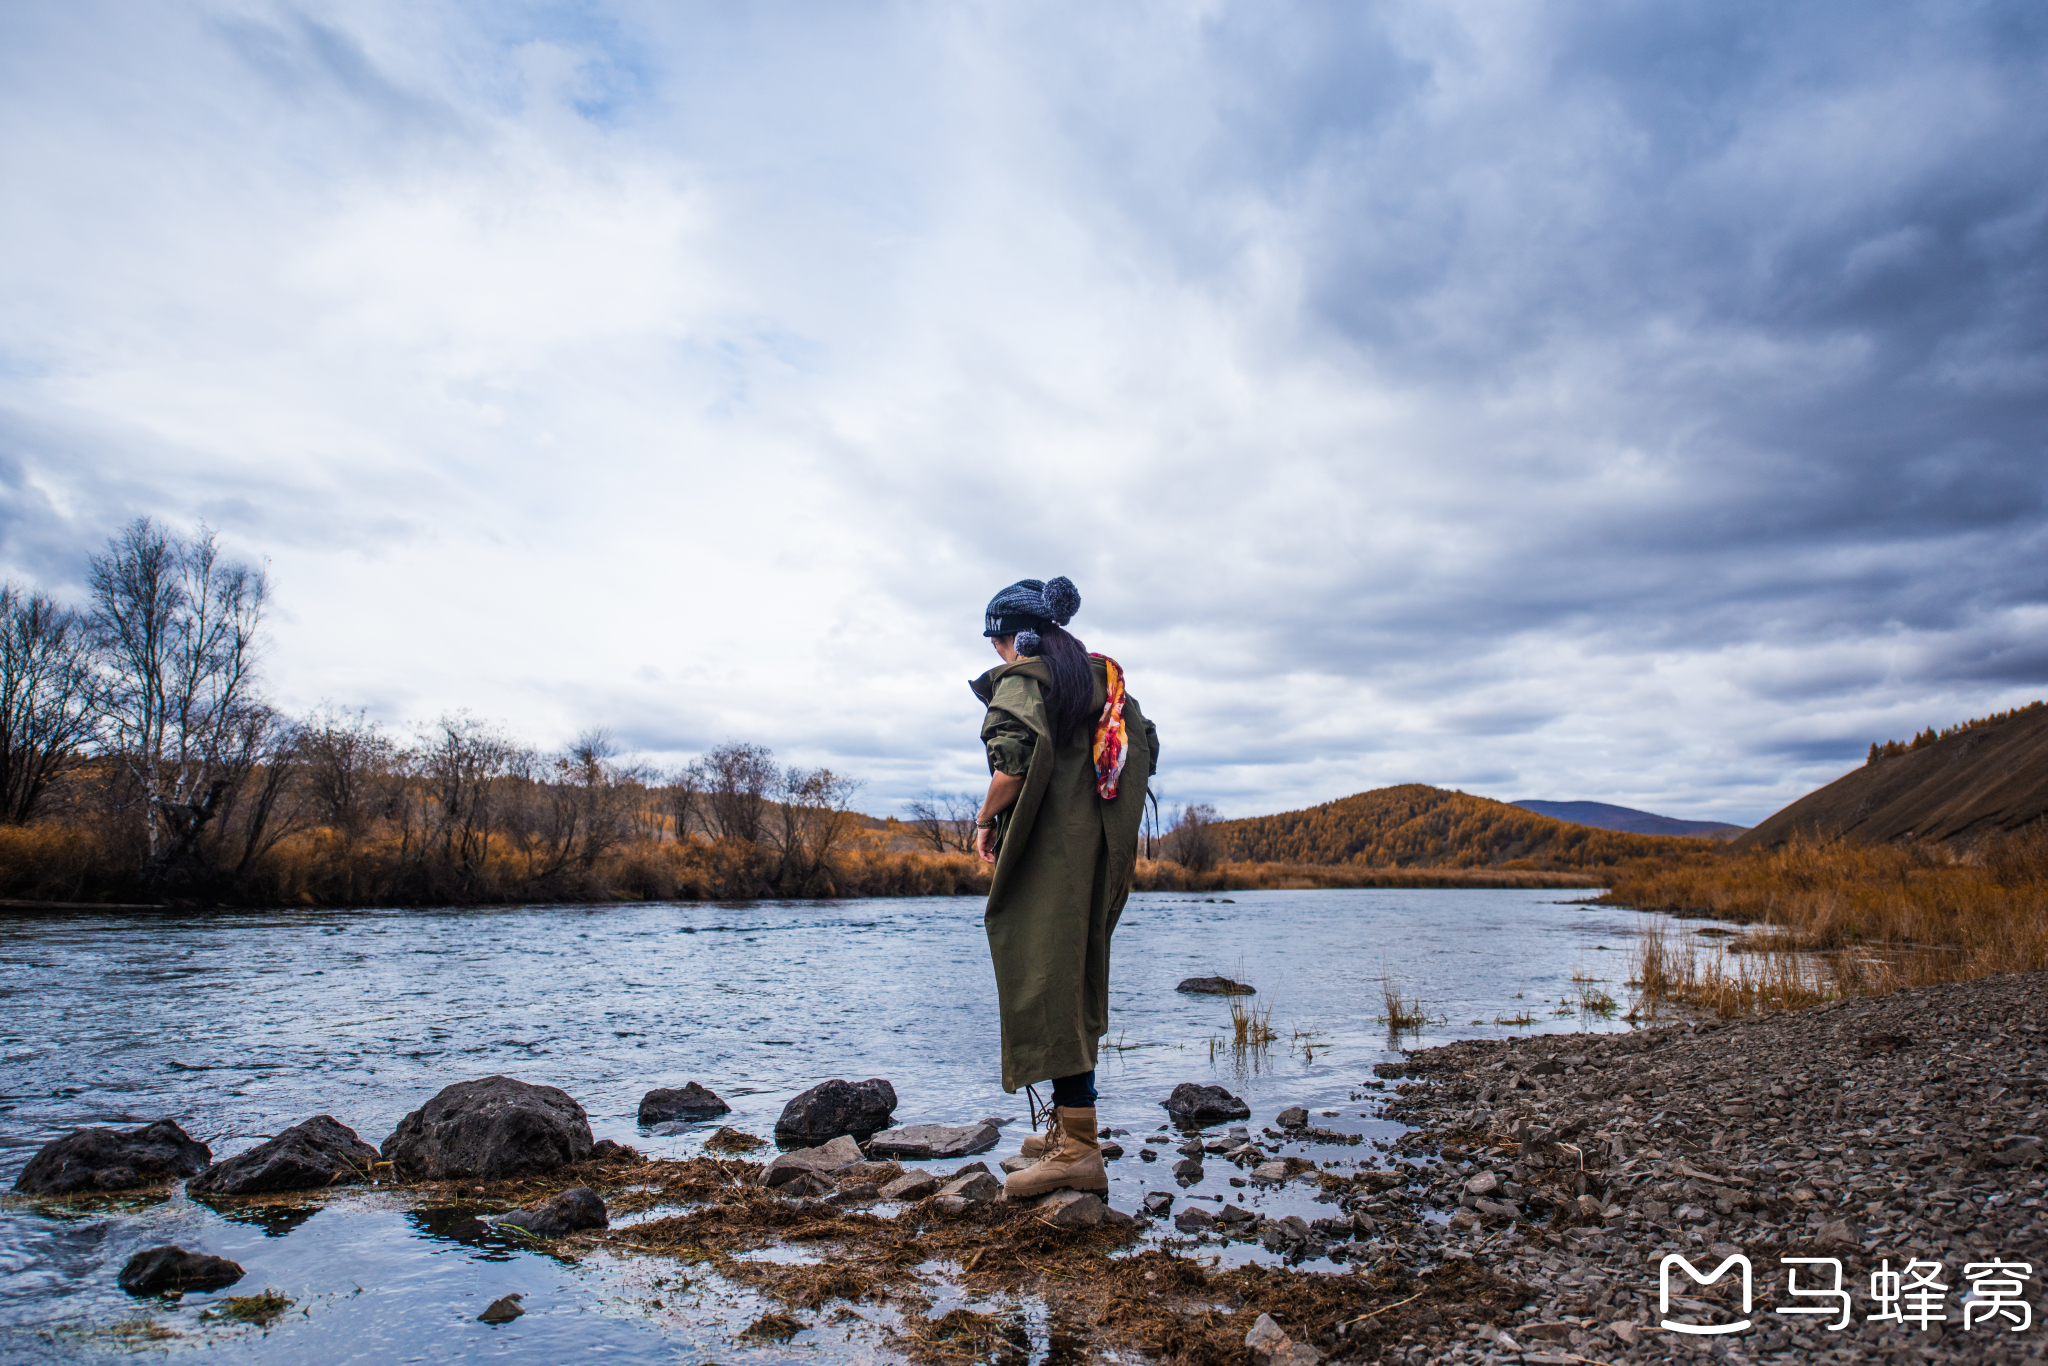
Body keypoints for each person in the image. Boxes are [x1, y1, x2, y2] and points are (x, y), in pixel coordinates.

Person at [968, 576, 1158, 1201]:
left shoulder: (1026, 680)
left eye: (998, 643)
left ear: (1017, 638)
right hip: (1098, 860)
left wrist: (984, 819)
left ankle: (1077, 1150)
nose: (1000, 656)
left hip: (1053, 858)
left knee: (1042, 980)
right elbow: (1146, 748)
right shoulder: (1105, 684)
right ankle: (1071, 1128)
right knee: (1072, 980)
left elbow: (1012, 764)